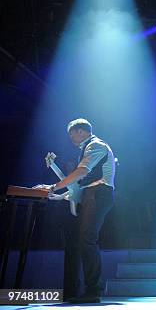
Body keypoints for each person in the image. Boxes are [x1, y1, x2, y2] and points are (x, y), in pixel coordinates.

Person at [38, 118, 115, 303]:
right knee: (83, 241)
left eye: (72, 134)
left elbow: (81, 173)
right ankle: (87, 289)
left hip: (99, 194)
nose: (71, 138)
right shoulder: (86, 148)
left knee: (87, 239)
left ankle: (93, 291)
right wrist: (59, 195)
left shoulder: (96, 145)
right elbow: (80, 188)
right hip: (92, 194)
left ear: (81, 131)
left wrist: (54, 187)